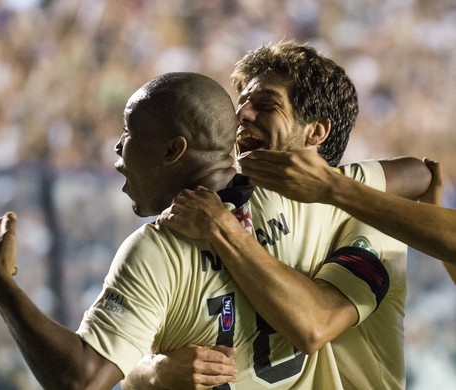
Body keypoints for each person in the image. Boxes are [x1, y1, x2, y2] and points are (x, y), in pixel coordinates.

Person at [0, 72, 359, 389]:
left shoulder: (157, 251)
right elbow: (409, 176)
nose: (118, 147)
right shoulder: (304, 198)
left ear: (173, 150)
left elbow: (81, 379)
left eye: (129, 132)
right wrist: (147, 374)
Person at [122, 41, 431, 389]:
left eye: (266, 105)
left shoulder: (364, 214)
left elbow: (314, 325)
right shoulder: (206, 217)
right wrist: (152, 374)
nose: (242, 115)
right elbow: (135, 365)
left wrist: (223, 231)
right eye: (242, 103)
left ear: (316, 132)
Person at [240, 148, 456, 283]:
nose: (243, 115)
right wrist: (434, 216)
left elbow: (315, 328)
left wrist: (332, 187)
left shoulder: (364, 222)